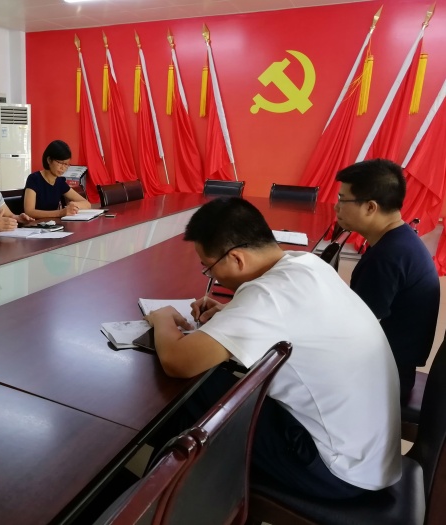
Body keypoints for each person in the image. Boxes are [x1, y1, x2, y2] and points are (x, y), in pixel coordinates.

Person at [146, 198, 401, 500]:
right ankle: (163, 488)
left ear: (236, 258)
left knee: (196, 391)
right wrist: (232, 314)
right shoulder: (306, 263)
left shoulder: (269, 296)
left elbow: (178, 361)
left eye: (208, 267)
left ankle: (152, 497)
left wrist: (162, 318)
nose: (212, 277)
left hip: (335, 470)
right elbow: (288, 316)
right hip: (367, 455)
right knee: (217, 389)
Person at [335, 159, 440, 404]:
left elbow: (354, 331)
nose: (336, 206)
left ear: (370, 207)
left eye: (342, 199)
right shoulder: (400, 239)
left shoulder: (386, 257)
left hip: (384, 378)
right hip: (394, 366)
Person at [23, 140, 90, 219]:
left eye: (66, 164)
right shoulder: (34, 179)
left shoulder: (59, 182)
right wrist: (61, 213)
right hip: (35, 224)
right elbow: (29, 211)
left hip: (51, 224)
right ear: (49, 160)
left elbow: (87, 204)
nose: (63, 168)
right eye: (60, 163)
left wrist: (74, 205)